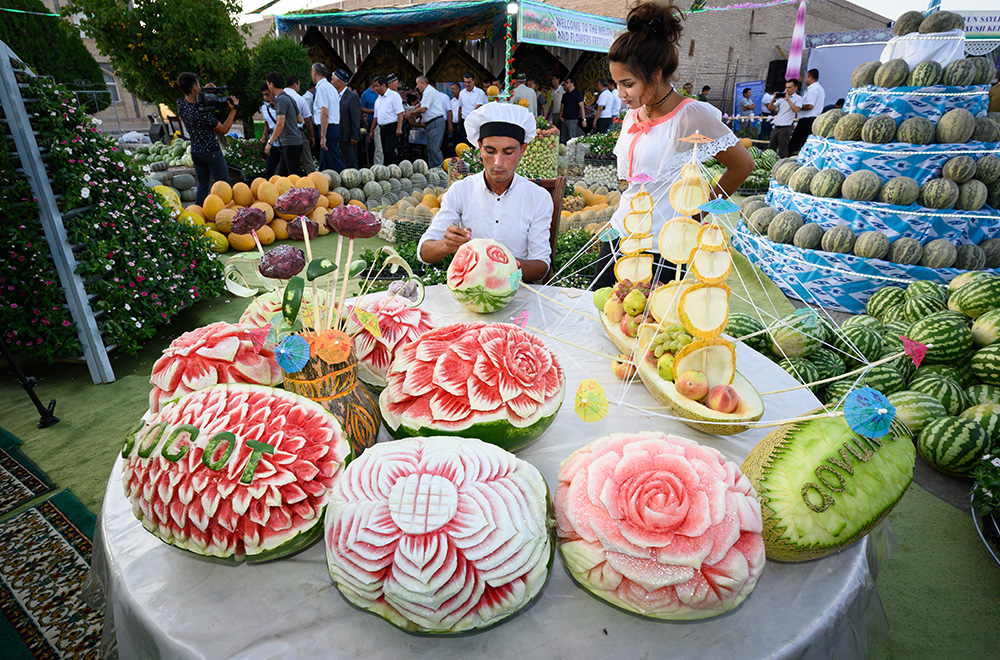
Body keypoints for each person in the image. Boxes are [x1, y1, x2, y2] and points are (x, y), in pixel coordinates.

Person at [592, 1, 753, 289]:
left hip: (662, 245)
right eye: (617, 84)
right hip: (621, 232)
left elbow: (743, 165)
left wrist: (698, 212)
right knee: (598, 311)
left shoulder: (690, 115)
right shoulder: (633, 115)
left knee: (644, 325)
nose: (620, 94)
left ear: (655, 73)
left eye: (627, 84)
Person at [417, 103, 554, 283]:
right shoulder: (461, 191)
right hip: (471, 292)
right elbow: (424, 252)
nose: (498, 162)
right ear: (480, 147)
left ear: (523, 150)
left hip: (519, 293)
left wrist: (501, 266)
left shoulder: (538, 198)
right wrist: (446, 244)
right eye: (490, 151)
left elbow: (541, 267)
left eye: (508, 152)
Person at [175, 72, 239, 205]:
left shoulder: (180, 104)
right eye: (198, 84)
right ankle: (228, 214)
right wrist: (233, 110)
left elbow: (197, 98)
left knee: (202, 186)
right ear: (194, 88)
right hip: (211, 152)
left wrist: (208, 89)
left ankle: (198, 214)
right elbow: (225, 129)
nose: (200, 87)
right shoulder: (202, 114)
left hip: (196, 152)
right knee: (224, 186)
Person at [264, 71, 303, 177]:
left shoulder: (281, 100)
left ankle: (308, 192)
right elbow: (300, 119)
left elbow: (280, 124)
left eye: (268, 85)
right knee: (282, 176)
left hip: (290, 143)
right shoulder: (289, 98)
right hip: (294, 142)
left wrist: (270, 143)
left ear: (272, 85)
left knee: (294, 176)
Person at [311, 63, 342, 171]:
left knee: (334, 161)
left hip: (327, 128)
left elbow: (324, 113)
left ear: (314, 72)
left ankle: (347, 183)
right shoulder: (331, 87)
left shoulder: (321, 88)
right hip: (332, 127)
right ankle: (323, 183)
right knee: (326, 163)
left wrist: (323, 136)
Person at [411, 75, 446, 167]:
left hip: (435, 122)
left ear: (422, 83)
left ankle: (441, 171)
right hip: (431, 123)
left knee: (434, 148)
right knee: (430, 149)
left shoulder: (428, 92)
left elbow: (423, 109)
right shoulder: (428, 92)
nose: (417, 87)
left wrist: (410, 114)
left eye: (417, 84)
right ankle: (433, 170)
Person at [284, 75, 316, 173]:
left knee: (285, 160)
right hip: (297, 132)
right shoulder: (300, 99)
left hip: (281, 132)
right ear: (295, 85)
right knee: (307, 158)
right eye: (299, 85)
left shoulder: (279, 96)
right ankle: (313, 180)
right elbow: (307, 120)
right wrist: (312, 136)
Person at [789, 68, 824, 154]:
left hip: (807, 120)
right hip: (811, 119)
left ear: (810, 78)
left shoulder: (813, 89)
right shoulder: (819, 88)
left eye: (806, 77)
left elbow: (810, 106)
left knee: (794, 145)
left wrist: (798, 106)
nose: (805, 80)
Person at [371, 75, 404, 165]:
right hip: (382, 128)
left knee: (389, 151)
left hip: (392, 127)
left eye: (377, 86)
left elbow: (400, 113)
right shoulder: (378, 99)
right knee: (385, 152)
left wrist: (399, 128)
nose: (375, 89)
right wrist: (371, 130)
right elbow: (376, 117)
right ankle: (388, 170)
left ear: (384, 85)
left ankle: (399, 167)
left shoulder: (394, 96)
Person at [332, 69, 361, 169]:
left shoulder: (351, 96)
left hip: (348, 136)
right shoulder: (335, 96)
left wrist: (354, 135)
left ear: (339, 82)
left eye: (332, 80)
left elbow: (356, 117)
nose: (331, 83)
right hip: (339, 135)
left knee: (351, 162)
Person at [767, 79, 801, 158]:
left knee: (783, 150)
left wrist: (788, 99)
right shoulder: (782, 98)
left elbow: (796, 110)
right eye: (786, 87)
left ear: (795, 88)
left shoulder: (798, 98)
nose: (787, 89)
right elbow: (770, 108)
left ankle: (783, 166)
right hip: (777, 125)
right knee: (770, 149)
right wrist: (774, 99)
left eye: (789, 87)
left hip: (786, 127)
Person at [259, 83, 282, 178]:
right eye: (263, 95)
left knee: (282, 170)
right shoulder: (264, 108)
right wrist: (264, 136)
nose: (265, 98)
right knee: (270, 169)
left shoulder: (281, 105)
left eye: (267, 94)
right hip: (272, 142)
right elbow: (267, 123)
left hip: (283, 142)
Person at [360, 78, 379, 165]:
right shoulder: (366, 94)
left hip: (383, 121)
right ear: (372, 84)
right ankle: (372, 163)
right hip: (372, 121)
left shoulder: (382, 92)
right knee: (374, 144)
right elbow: (362, 108)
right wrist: (373, 111)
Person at [449, 82, 463, 147]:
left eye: (453, 89)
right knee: (455, 143)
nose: (452, 91)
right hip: (454, 125)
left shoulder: (463, 99)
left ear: (459, 89)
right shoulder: (451, 101)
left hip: (462, 124)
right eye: (451, 89)